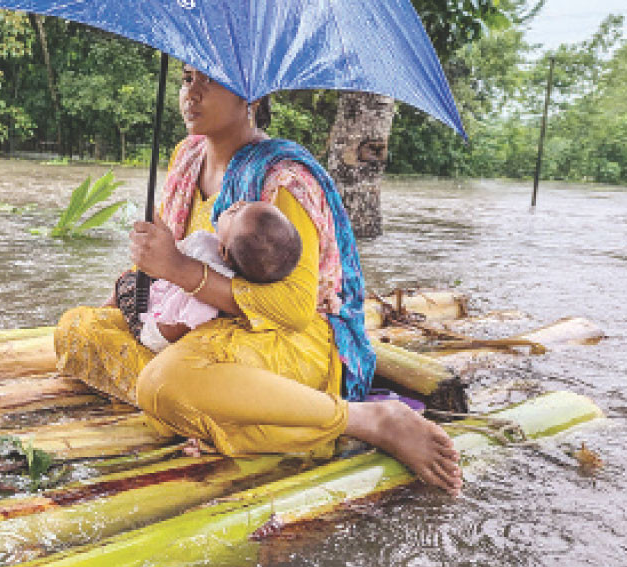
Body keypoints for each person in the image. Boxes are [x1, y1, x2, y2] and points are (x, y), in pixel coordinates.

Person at [55, 65, 462, 495]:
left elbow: (295, 308)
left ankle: (363, 420)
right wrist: (128, 295)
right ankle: (214, 414)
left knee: (162, 383)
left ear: (251, 96)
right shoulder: (185, 158)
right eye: (186, 79)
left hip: (284, 340)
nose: (191, 94)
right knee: (77, 329)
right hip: (196, 329)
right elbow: (159, 260)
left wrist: (181, 271)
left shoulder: (283, 180)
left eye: (208, 81)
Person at [115, 202, 302, 353]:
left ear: (224, 252)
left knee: (124, 283)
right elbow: (170, 254)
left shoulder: (215, 291)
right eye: (245, 205)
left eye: (236, 213)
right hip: (164, 291)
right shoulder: (207, 242)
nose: (238, 203)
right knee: (133, 278)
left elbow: (178, 328)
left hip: (154, 330)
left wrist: (148, 332)